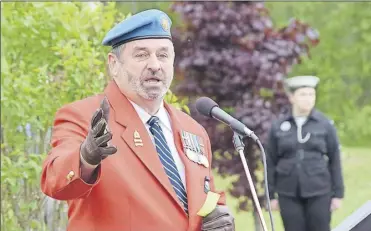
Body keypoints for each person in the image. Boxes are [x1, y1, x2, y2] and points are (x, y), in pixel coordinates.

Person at [40, 9, 235, 231]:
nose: (155, 65)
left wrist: (219, 216)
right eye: (141, 54)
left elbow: (204, 196)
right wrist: (86, 158)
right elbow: (54, 183)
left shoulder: (193, 129)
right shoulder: (83, 116)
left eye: (163, 55)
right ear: (114, 64)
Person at [265, 75, 345, 231]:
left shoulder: (324, 124)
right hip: (288, 192)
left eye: (311, 94)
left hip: (319, 190)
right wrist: (270, 196)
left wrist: (338, 194)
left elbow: (335, 159)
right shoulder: (279, 126)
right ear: (291, 97)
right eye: (303, 94)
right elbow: (270, 161)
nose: (308, 99)